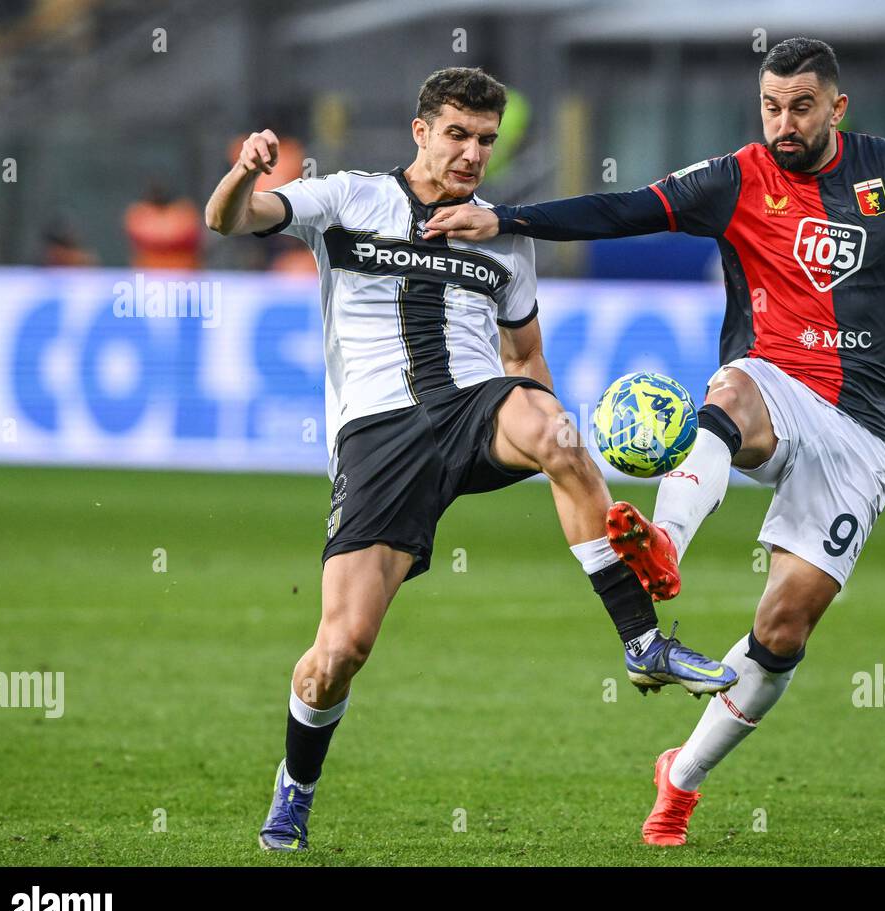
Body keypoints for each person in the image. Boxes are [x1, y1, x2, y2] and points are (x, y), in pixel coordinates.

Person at [424, 39, 885, 845]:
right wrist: (504, 217)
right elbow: (625, 208)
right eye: (772, 105)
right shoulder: (739, 177)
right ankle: (663, 546)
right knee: (731, 390)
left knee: (784, 632)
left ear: (836, 108)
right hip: (776, 382)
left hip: (864, 427)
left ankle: (680, 778)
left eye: (802, 105)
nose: (784, 121)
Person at [203, 67, 738, 852]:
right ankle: (298, 784)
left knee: (555, 426)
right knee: (340, 651)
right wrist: (247, 171)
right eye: (457, 135)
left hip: (474, 409)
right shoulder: (349, 198)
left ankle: (641, 642)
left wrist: (557, 445)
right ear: (420, 131)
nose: (472, 154)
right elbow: (229, 221)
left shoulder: (503, 233)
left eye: (486, 140)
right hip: (379, 439)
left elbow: (525, 356)